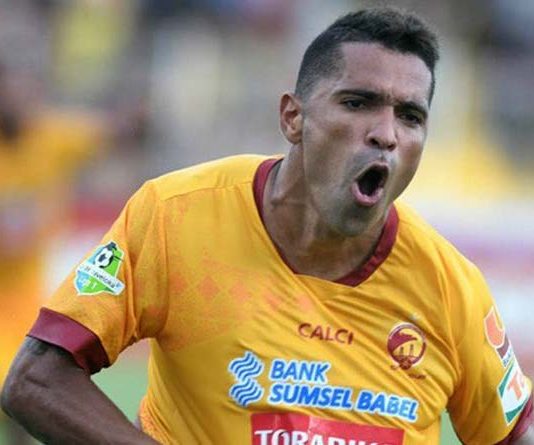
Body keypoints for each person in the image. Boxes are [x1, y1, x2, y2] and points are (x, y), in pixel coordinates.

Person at [1, 7, 533, 445]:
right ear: (292, 118)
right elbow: (36, 379)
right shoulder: (176, 215)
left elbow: (515, 434)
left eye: (410, 116)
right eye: (357, 103)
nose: (386, 134)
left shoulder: (450, 285)